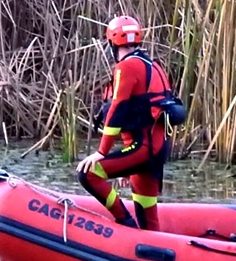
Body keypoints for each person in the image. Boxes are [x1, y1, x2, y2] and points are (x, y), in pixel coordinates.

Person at [76, 15, 186, 231]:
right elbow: (146, 113)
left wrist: (102, 151)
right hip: (155, 150)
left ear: (112, 43)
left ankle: (124, 223)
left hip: (142, 150)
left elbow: (118, 109)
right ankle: (151, 255)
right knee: (148, 217)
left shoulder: (125, 68)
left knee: (87, 173)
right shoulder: (154, 66)